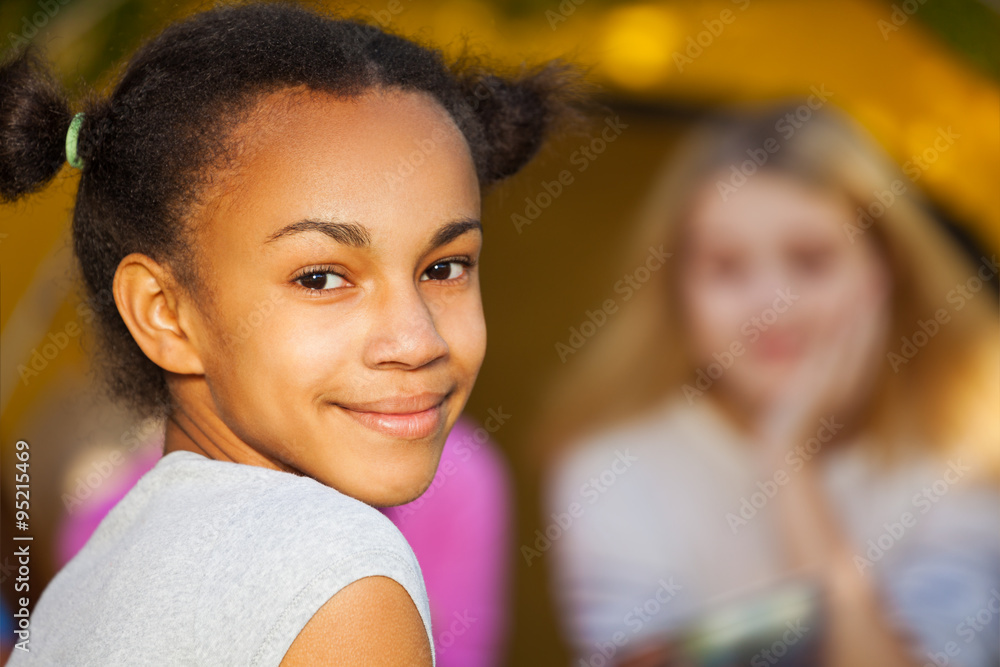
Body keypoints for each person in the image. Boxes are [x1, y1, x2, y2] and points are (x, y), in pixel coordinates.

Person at [0, 3, 584, 664]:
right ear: (165, 311)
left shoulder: (83, 586)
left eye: (444, 267)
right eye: (320, 277)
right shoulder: (339, 577)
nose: (418, 340)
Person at [535, 103, 999, 667]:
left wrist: (789, 465)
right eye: (727, 267)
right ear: (678, 286)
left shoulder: (968, 449)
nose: (770, 306)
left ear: (887, 268)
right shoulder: (611, 464)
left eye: (811, 262)